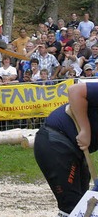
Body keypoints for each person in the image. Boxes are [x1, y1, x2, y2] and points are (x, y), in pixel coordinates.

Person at [34, 82, 98, 215]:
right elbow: (75, 91)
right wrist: (85, 130)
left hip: (76, 152)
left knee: (82, 203)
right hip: (55, 141)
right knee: (72, 206)